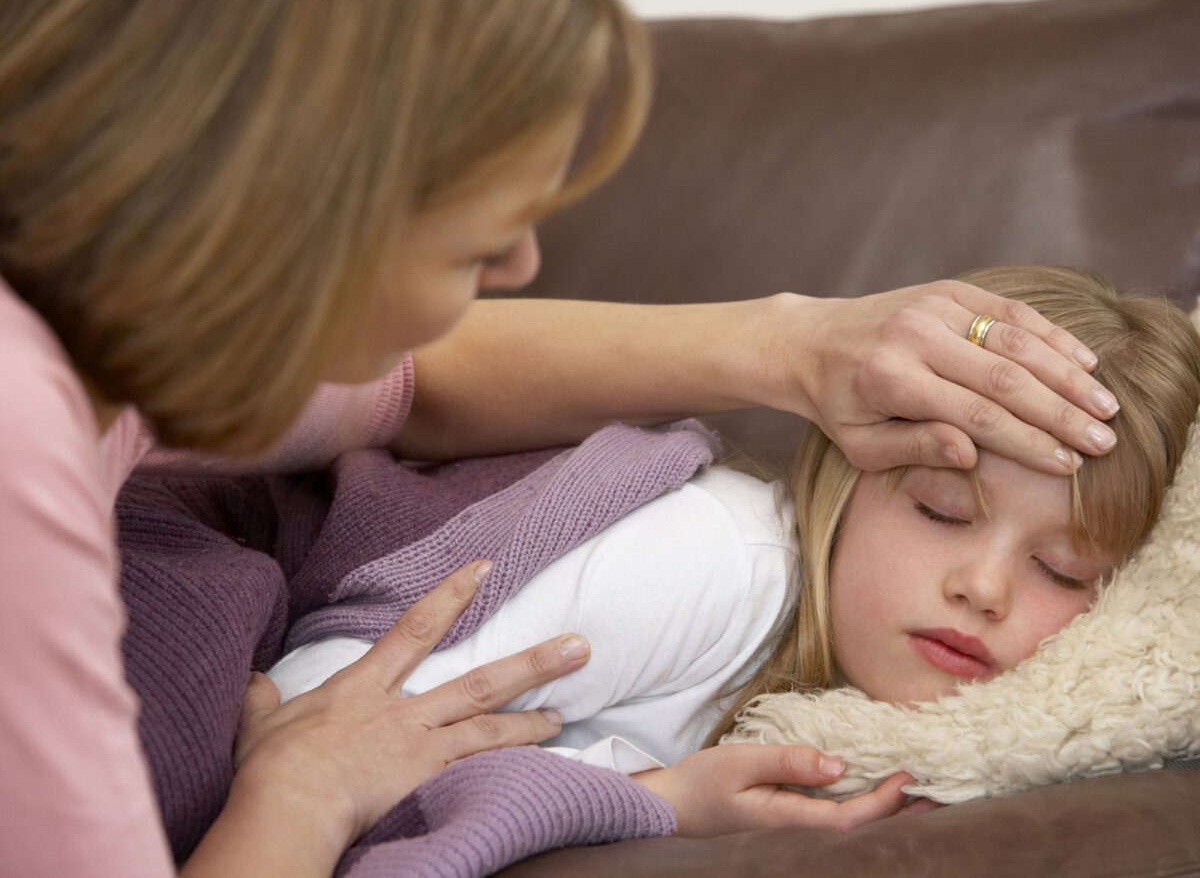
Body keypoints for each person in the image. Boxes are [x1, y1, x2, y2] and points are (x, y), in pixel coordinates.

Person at [0, 0, 1122, 874]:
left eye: (1070, 572)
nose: (522, 270)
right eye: (479, 242)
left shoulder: (125, 368)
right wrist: (301, 795)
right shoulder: (22, 431)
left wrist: (794, 345)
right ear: (291, 192)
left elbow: (406, 389)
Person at [269, 266, 1200, 839]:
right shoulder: (719, 560)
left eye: (1064, 572)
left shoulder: (880, 721)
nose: (984, 587)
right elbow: (318, 718)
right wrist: (650, 801)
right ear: (848, 470)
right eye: (942, 511)